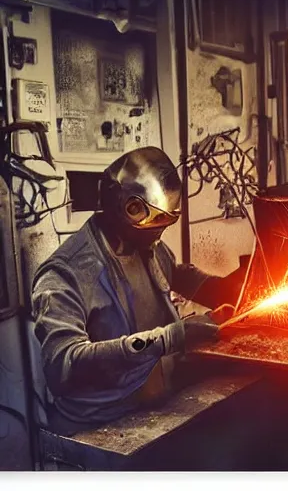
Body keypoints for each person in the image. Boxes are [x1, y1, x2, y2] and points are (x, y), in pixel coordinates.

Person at [31, 146, 244, 435]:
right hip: (99, 426)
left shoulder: (144, 244)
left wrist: (226, 289)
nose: (160, 233)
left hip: (150, 404)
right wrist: (171, 337)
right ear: (128, 209)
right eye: (155, 223)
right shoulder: (65, 274)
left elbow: (173, 273)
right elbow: (64, 365)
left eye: (166, 223)